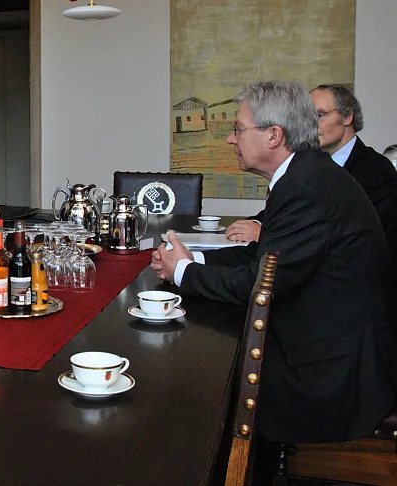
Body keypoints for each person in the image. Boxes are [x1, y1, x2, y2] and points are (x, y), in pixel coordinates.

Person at [152, 80, 396, 444]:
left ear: (273, 136)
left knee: (194, 392)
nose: (231, 139)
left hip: (333, 378)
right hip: (331, 352)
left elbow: (260, 281)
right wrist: (194, 257)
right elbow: (263, 255)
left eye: (238, 129)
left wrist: (184, 272)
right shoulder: (306, 174)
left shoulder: (305, 186)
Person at [226, 84, 397, 253]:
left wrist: (265, 233)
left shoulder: (377, 170)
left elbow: (362, 239)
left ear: (347, 117)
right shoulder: (308, 165)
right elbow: (289, 212)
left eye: (318, 115)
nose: (310, 124)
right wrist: (257, 224)